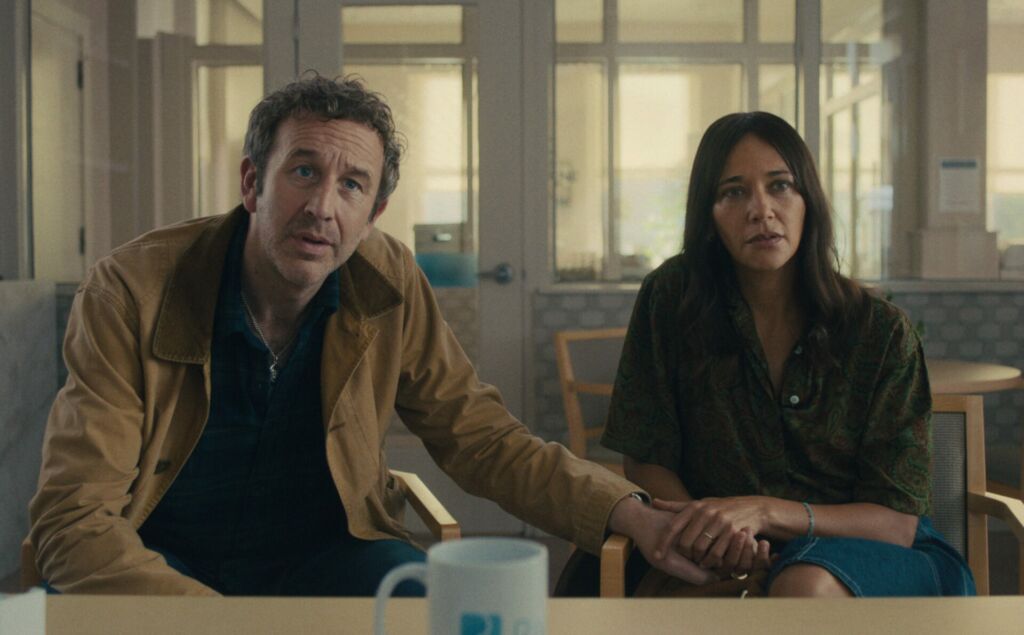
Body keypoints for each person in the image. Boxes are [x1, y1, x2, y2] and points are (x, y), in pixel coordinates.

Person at [24, 75, 714, 596]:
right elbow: (73, 520)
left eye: (352, 184)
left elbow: (482, 439)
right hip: (158, 560)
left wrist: (629, 510)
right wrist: (220, 623)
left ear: (375, 212)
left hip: (327, 556)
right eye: (303, 171)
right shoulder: (131, 290)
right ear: (252, 183)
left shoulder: (388, 282)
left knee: (431, 600)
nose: (322, 206)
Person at [600, 111, 975, 597]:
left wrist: (763, 511)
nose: (761, 210)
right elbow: (646, 459)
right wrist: (712, 535)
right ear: (708, 215)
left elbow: (896, 524)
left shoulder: (880, 331)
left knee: (802, 584)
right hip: (717, 549)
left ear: (808, 201)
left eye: (780, 186)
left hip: (873, 556)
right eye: (733, 192)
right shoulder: (671, 299)